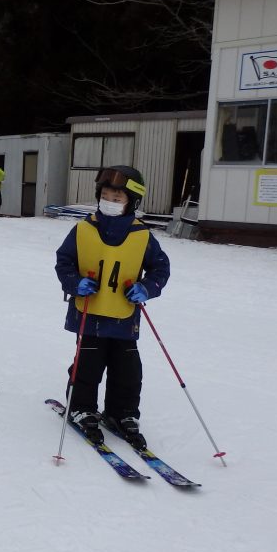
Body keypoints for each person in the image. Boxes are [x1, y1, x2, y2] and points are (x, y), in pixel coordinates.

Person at [54, 165, 171, 449]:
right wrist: (74, 282)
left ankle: (122, 413)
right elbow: (64, 261)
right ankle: (81, 407)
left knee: (128, 369)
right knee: (88, 365)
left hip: (124, 317)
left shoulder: (141, 235)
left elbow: (160, 268)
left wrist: (146, 288)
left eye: (117, 198)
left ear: (131, 202)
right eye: (105, 195)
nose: (110, 201)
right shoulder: (84, 228)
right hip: (90, 313)